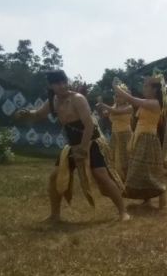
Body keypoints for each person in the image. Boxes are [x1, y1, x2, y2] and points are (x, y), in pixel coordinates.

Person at [15, 70, 129, 222]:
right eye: (58, 83)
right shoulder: (53, 101)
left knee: (101, 175)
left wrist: (82, 149)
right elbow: (38, 115)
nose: (62, 86)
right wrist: (26, 113)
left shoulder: (78, 99)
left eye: (64, 82)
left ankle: (123, 212)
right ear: (50, 85)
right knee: (55, 176)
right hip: (72, 144)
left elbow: (89, 125)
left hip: (91, 141)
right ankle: (55, 215)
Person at [114, 75, 167, 208]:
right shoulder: (149, 102)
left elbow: (131, 99)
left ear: (154, 90)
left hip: (148, 138)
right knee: (142, 170)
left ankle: (161, 198)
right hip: (141, 137)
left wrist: (116, 87)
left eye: (146, 86)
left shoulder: (155, 103)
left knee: (148, 170)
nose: (144, 89)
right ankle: (148, 200)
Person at [96, 78, 134, 181]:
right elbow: (103, 115)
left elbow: (115, 112)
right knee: (114, 156)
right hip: (115, 134)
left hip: (125, 134)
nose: (117, 99)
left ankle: (129, 177)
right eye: (116, 96)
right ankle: (119, 176)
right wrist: (100, 108)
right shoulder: (114, 106)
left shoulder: (129, 107)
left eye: (120, 97)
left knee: (126, 157)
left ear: (126, 98)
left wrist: (103, 105)